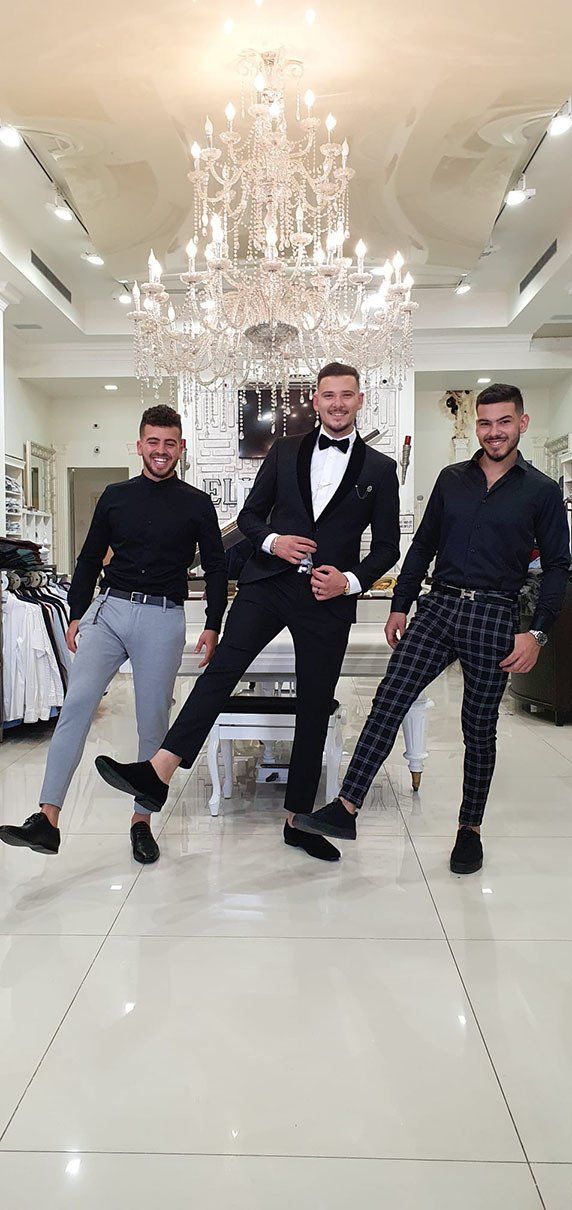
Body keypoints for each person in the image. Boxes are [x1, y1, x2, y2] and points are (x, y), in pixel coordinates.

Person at [94, 362, 401, 863]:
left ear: (359, 400)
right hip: (268, 583)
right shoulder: (284, 450)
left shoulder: (380, 470)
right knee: (220, 673)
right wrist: (275, 542)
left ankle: (298, 822)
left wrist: (348, 581)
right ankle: (159, 772)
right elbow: (250, 516)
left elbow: (388, 546)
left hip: (328, 598)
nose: (337, 404)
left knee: (314, 705)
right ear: (316, 400)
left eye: (346, 395)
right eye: (328, 395)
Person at [293, 383, 571, 874]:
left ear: (522, 424)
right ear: (475, 426)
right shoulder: (451, 479)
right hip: (438, 607)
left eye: (503, 422)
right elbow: (422, 545)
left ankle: (470, 830)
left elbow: (557, 567)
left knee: (478, 728)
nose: (493, 432)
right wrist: (400, 606)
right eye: (485, 423)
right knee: (389, 699)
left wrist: (538, 633)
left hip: (494, 613)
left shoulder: (542, 491)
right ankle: (347, 807)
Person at [0, 405, 227, 865]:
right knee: (76, 705)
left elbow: (217, 566)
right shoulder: (115, 495)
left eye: (169, 443)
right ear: (139, 445)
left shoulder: (197, 503)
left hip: (163, 616)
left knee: (152, 721)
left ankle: (141, 821)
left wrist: (213, 621)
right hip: (111, 609)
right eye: (153, 441)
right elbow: (88, 557)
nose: (160, 451)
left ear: (181, 448)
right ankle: (47, 818)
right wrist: (76, 612)